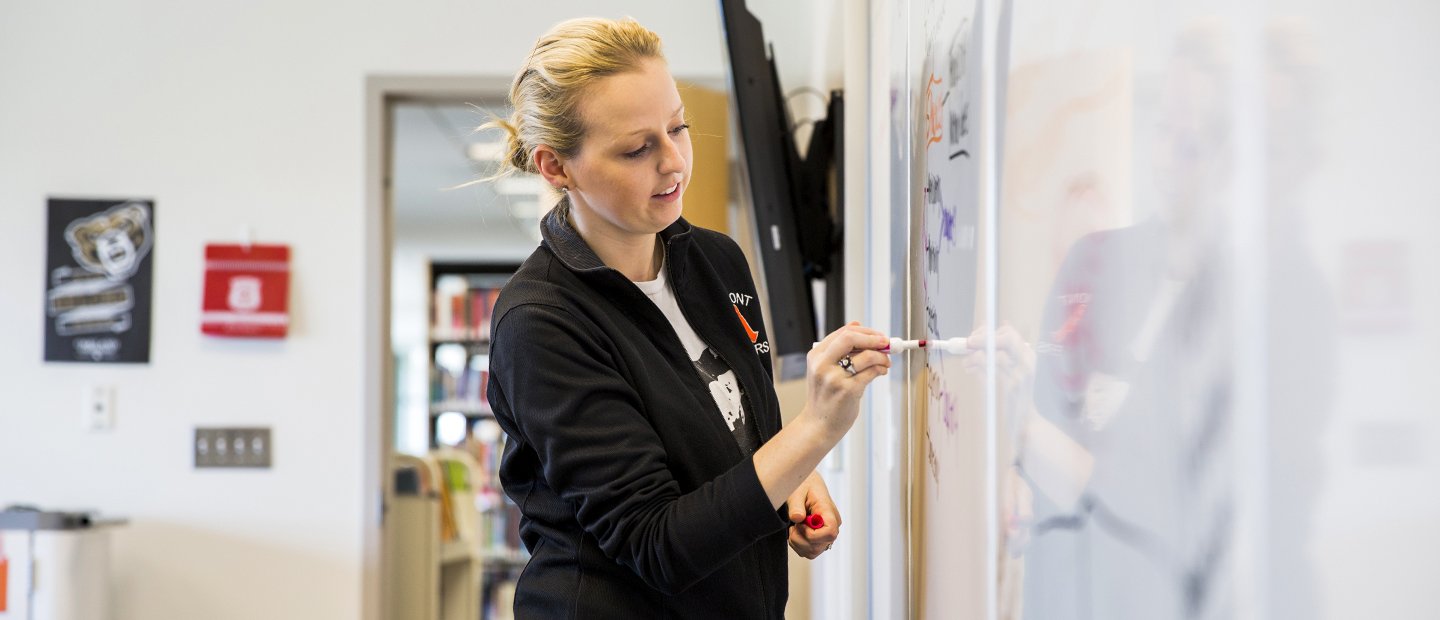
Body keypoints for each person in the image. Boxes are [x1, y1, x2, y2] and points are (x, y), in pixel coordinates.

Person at [482, 17, 891, 618]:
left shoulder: (715, 261)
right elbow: (657, 545)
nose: (673, 162)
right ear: (555, 167)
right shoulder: (541, 323)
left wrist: (796, 478)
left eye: (678, 127)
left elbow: (742, 431)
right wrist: (819, 429)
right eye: (637, 148)